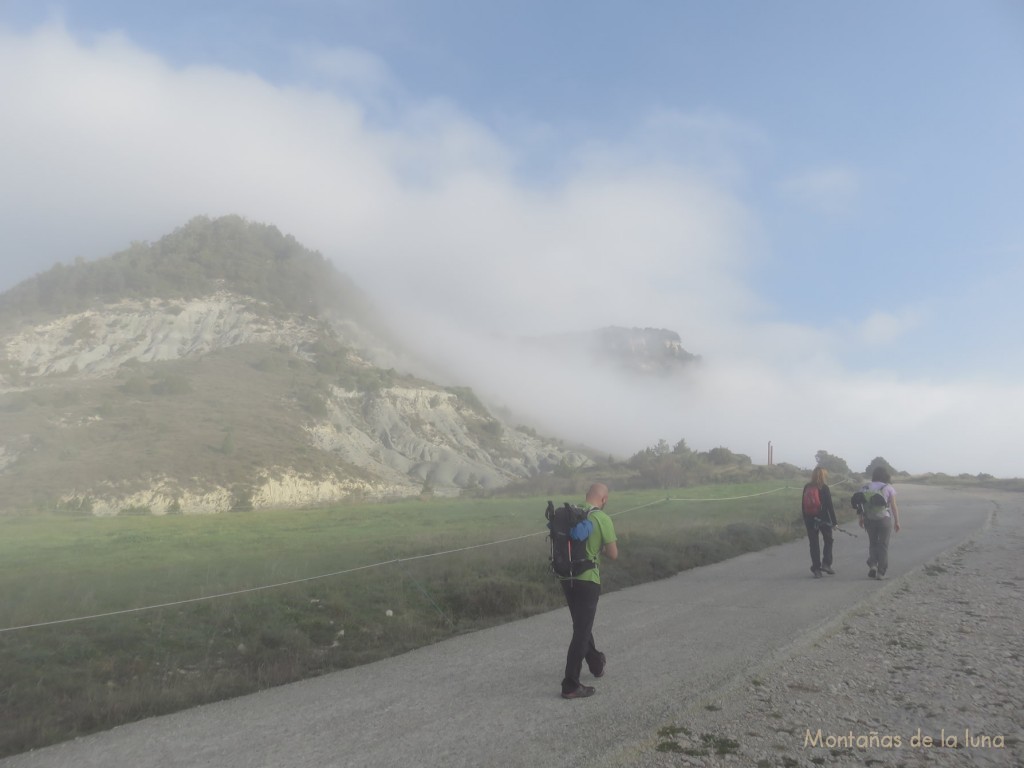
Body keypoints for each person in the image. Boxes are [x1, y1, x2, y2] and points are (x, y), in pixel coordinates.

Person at [559, 482, 618, 699]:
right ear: (603, 500)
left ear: (587, 496)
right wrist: (600, 547)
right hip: (588, 579)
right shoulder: (602, 518)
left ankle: (595, 663)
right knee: (582, 631)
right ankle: (570, 684)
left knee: (581, 625)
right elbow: (613, 554)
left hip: (566, 577)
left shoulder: (570, 513)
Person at [857, 466, 901, 580]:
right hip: (884, 519)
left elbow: (861, 505)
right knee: (883, 545)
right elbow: (893, 506)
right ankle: (881, 572)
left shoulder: (865, 487)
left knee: (873, 543)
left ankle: (873, 565)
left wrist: (861, 518)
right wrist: (897, 521)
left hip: (869, 518)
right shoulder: (888, 487)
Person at [803, 467, 837, 578]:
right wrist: (834, 522)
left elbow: (803, 505)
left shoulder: (807, 487)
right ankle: (826, 564)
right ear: (823, 476)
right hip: (823, 519)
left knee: (814, 544)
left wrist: (806, 519)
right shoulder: (825, 488)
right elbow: (829, 506)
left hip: (809, 519)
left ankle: (816, 569)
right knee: (828, 540)